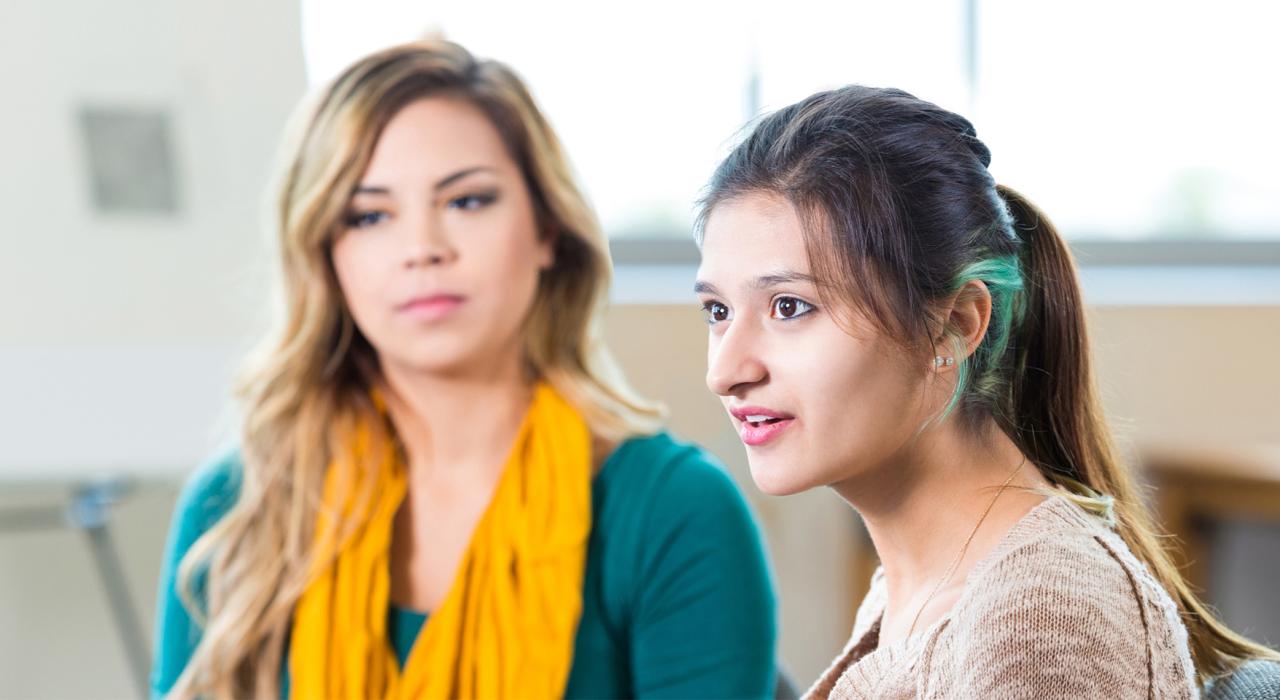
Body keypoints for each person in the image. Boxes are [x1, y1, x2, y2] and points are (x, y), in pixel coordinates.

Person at [152, 39, 776, 699]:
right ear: (325, 257)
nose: (423, 248)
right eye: (369, 215)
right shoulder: (237, 510)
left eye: (467, 201)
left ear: (546, 229)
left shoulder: (673, 512)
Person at [693, 84, 1278, 698]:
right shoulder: (915, 591)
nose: (725, 371)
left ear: (956, 323)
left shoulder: (1039, 621)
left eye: (790, 307)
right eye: (717, 311)